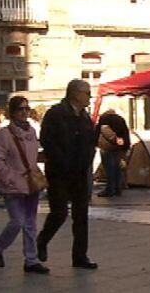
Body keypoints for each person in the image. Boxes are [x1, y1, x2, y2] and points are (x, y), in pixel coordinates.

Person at [37, 79, 98, 270]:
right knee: (59, 213)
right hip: (59, 173)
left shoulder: (85, 116)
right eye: (87, 93)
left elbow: (90, 141)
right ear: (75, 94)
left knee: (81, 215)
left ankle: (80, 255)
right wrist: (62, 161)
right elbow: (47, 141)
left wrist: (88, 159)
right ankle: (42, 240)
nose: (90, 97)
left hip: (80, 172)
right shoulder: (56, 114)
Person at [0, 96, 49, 274]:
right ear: (13, 112)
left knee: (30, 222)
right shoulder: (5, 134)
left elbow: (32, 156)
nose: (24, 112)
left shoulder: (31, 132)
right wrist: (9, 177)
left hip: (30, 183)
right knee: (17, 221)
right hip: (13, 185)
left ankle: (31, 260)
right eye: (20, 109)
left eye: (27, 109)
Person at [95, 110, 130, 198]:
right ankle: (117, 189)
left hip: (107, 147)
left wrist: (95, 142)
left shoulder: (104, 119)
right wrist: (124, 145)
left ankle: (110, 190)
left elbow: (101, 131)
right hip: (118, 147)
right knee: (117, 168)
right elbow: (125, 132)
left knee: (109, 169)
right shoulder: (120, 119)